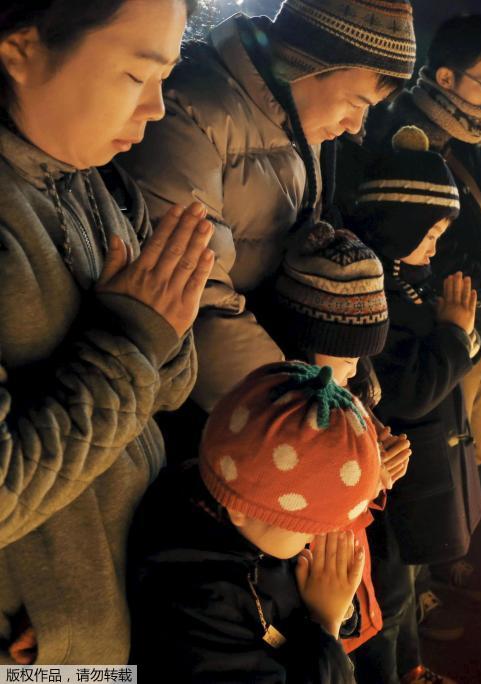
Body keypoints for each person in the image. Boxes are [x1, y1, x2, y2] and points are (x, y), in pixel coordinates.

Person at [0, 0, 210, 665]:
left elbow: (171, 387)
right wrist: (134, 340)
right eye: (135, 75)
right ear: (21, 49)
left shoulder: (95, 181)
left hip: (124, 605)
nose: (156, 108)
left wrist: (159, 328)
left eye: (165, 78)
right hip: (45, 652)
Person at [120, 0, 417, 413]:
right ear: (306, 62)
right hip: (205, 409)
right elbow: (197, 301)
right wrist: (304, 413)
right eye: (355, 102)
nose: (356, 125)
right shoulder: (191, 113)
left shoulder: (299, 121)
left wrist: (345, 371)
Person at [366, 14, 481, 520]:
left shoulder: (476, 141)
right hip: (439, 328)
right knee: (438, 460)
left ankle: (467, 525)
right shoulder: (403, 137)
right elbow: (438, 253)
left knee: (469, 447)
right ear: (446, 77)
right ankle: (449, 550)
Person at [129, 362, 383, 682]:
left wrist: (340, 605)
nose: (314, 540)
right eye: (308, 528)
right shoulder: (199, 598)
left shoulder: (235, 504)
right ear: (240, 508)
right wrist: (326, 624)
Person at [348, 126, 481, 684]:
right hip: (390, 474)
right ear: (396, 223)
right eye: (428, 232)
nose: (435, 245)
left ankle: (413, 667)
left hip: (418, 461)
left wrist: (463, 333)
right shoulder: (374, 292)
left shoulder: (410, 279)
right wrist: (454, 335)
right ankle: (398, 672)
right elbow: (406, 392)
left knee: (405, 582)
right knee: (389, 594)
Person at [259, 222, 419, 654]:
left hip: (348, 578)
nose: (355, 369)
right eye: (349, 355)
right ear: (309, 339)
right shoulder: (284, 421)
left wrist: (378, 467)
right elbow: (304, 509)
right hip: (314, 592)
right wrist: (366, 477)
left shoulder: (345, 395)